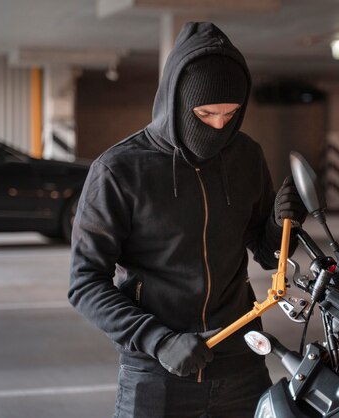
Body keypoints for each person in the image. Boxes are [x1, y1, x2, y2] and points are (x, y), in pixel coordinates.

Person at [68, 21, 307, 418]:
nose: (218, 126)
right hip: (157, 372)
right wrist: (158, 340)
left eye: (231, 115)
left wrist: (284, 224)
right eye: (205, 113)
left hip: (241, 366)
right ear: (176, 102)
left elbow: (267, 255)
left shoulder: (246, 156)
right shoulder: (119, 170)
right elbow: (85, 283)